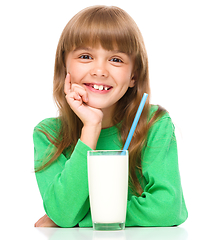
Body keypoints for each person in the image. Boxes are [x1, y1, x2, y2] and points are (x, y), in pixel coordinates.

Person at [34, 5, 188, 228]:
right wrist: (91, 128)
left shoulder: (154, 124)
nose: (100, 70)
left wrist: (91, 218)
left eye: (116, 60)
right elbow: (63, 212)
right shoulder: (48, 134)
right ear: (64, 66)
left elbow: (168, 209)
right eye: (86, 56)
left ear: (133, 76)